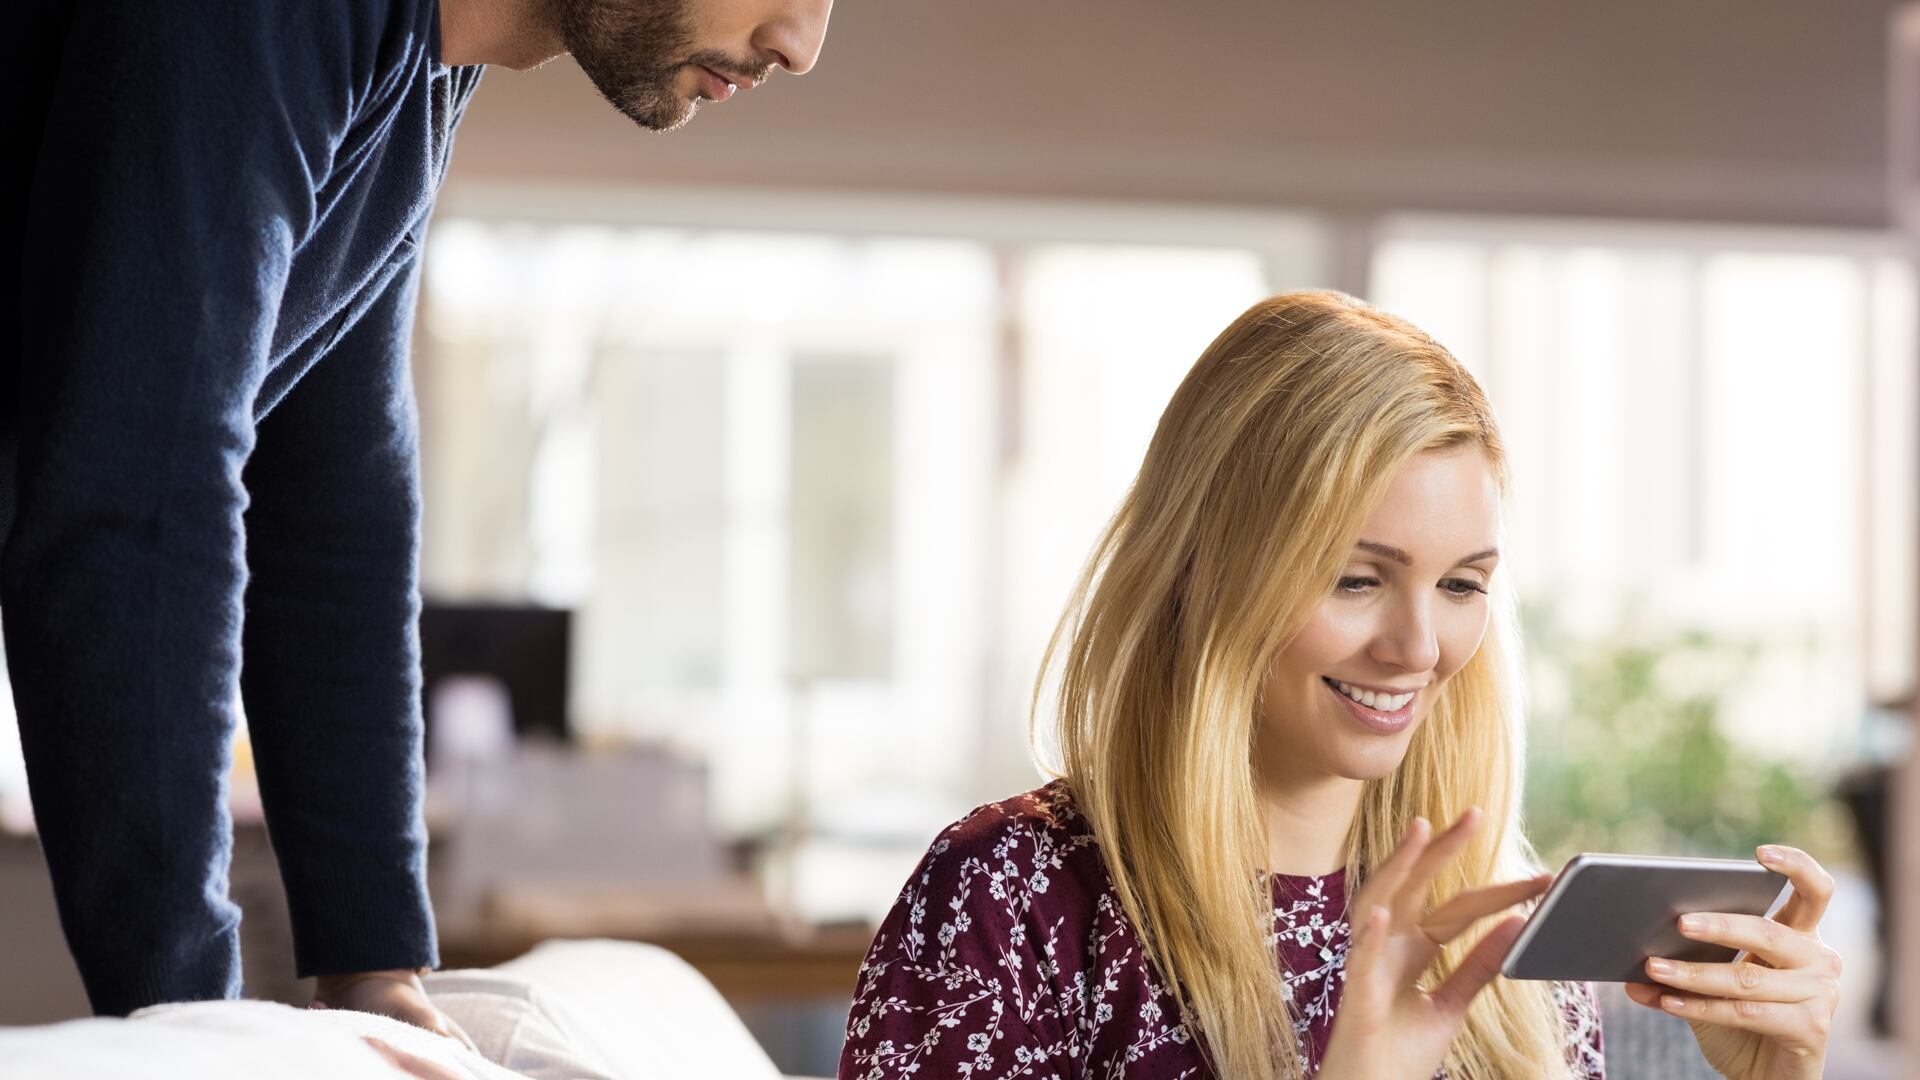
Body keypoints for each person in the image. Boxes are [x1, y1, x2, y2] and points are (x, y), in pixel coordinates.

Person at [2, 0, 831, 1031]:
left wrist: (373, 958)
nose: (803, 42)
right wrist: (189, 1017)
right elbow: (139, 493)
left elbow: (334, 497)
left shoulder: (417, 72)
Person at [838, 291, 1843, 1078]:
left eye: (1460, 586)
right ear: (1210, 570)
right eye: (1356, 579)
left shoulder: (1489, 942)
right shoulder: (1017, 898)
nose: (1417, 647)